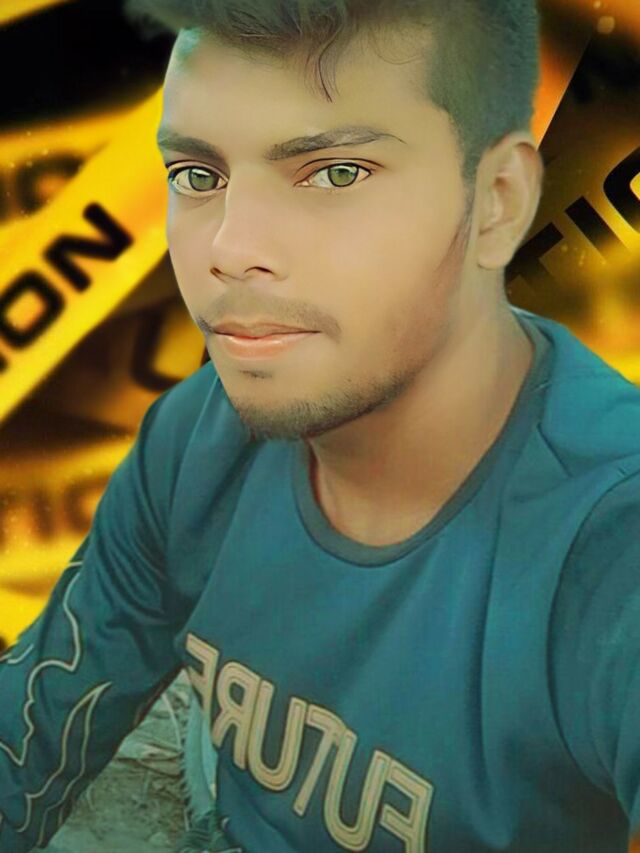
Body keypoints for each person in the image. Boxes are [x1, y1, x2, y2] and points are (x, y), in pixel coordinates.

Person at [2, 0, 640, 850]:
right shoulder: (198, 438)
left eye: (335, 172)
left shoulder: (609, 549)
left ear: (496, 202)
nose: (229, 248)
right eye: (198, 175)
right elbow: (31, 734)